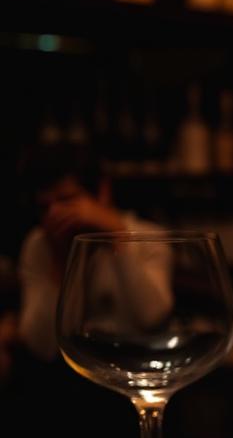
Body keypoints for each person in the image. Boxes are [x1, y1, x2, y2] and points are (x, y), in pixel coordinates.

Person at [14, 145, 171, 362]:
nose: (54, 215)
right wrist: (60, 262)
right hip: (63, 378)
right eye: (44, 207)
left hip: (137, 368)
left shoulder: (148, 237)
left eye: (67, 201)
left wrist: (117, 236)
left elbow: (152, 318)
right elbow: (41, 345)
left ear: (103, 191)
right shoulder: (39, 244)